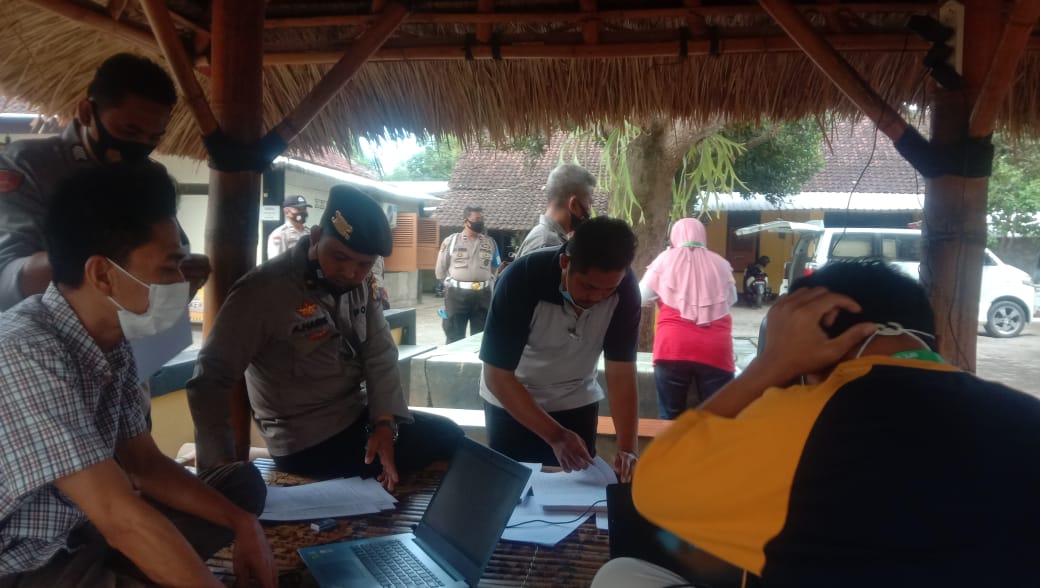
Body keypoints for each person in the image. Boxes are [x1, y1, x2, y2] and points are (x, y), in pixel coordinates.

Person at [594, 259, 1040, 587]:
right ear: (930, 337)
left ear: (815, 336)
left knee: (622, 576)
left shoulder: (802, 420)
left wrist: (769, 366)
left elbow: (652, 488)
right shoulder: (1026, 415)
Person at [0, 164, 274, 588]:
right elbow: (117, 514)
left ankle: (144, 565)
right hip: (25, 559)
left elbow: (143, 464)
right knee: (133, 529)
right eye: (169, 269)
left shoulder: (113, 342)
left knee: (238, 488)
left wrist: (243, 524)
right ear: (103, 274)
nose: (181, 284)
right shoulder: (23, 351)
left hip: (87, 529)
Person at [187, 185, 463, 490]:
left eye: (364, 264)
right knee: (446, 444)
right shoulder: (263, 292)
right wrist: (219, 469)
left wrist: (385, 422)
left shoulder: (361, 284)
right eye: (339, 257)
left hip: (356, 417)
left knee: (447, 434)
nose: (350, 272)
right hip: (305, 440)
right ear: (317, 237)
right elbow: (210, 379)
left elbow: (379, 351)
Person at [0, 53, 210, 312]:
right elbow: (6, 278)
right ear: (86, 113)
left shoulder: (149, 175)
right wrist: (113, 262)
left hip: (132, 328)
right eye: (129, 131)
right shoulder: (31, 165)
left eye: (154, 137)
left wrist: (181, 270)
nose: (140, 146)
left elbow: (171, 253)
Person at [480, 217, 640, 481]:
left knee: (579, 490)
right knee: (513, 486)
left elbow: (621, 372)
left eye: (608, 290)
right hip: (512, 401)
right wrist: (556, 435)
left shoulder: (625, 291)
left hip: (575, 398)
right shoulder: (522, 278)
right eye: (588, 286)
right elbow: (497, 376)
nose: (597, 297)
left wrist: (627, 448)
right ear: (565, 263)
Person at [640, 218, 737, 419]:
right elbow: (732, 299)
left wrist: (661, 297)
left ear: (674, 237)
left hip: (673, 348)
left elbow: (639, 297)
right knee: (717, 419)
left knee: (670, 417)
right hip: (716, 350)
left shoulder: (665, 260)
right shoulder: (721, 263)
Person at [434, 206, 501, 344]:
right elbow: (440, 270)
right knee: (454, 337)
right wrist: (451, 286)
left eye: (482, 218)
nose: (481, 222)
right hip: (457, 295)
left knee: (481, 338)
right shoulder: (451, 241)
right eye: (477, 219)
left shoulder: (490, 242)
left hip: (483, 295)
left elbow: (495, 268)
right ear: (466, 221)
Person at [514, 163, 596, 258]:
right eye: (589, 203)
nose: (589, 212)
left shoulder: (544, 237)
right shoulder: (548, 245)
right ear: (573, 204)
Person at [266, 194, 311, 258]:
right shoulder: (279, 234)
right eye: (298, 209)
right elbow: (276, 261)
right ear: (286, 212)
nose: (303, 212)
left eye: (304, 209)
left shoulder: (309, 232)